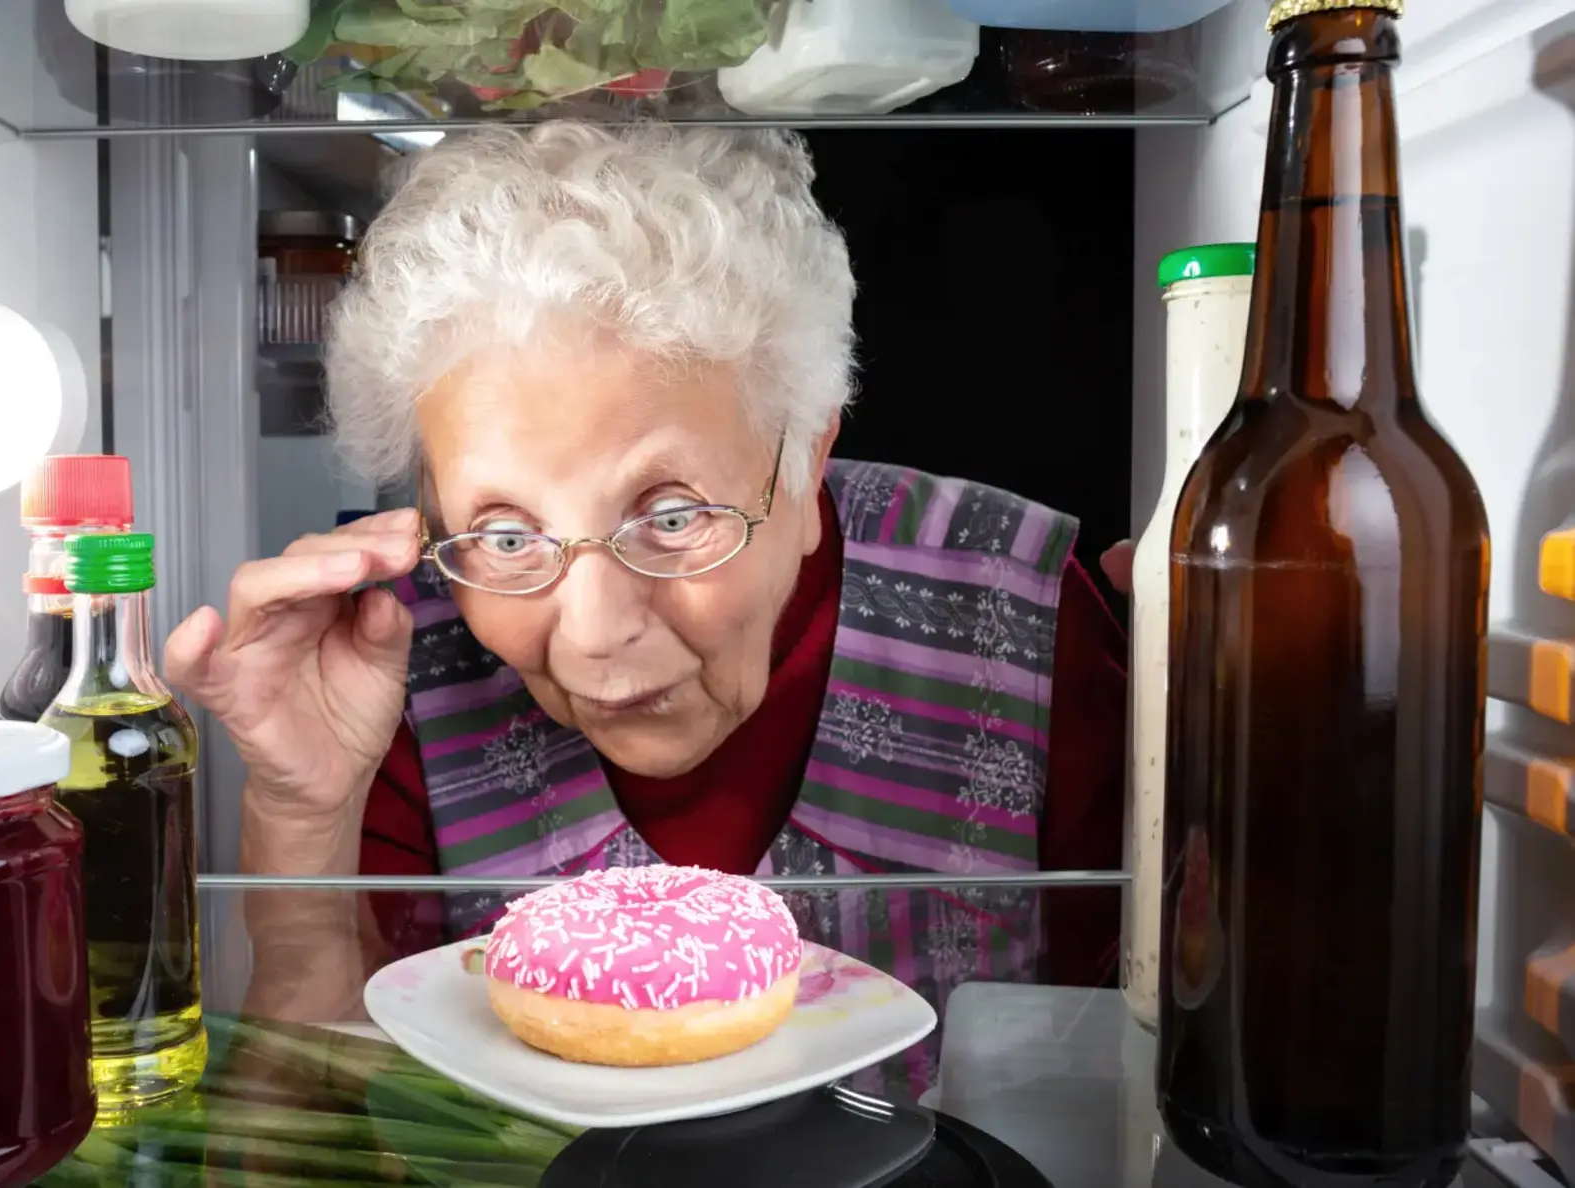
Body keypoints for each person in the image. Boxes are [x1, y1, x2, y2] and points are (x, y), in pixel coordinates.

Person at [167, 121, 1127, 1091]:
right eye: (506, 535)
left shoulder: (1026, 619)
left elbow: (1130, 1059)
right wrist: (302, 813)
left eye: (671, 516)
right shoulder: (394, 659)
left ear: (806, 455)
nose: (593, 633)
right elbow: (315, 1124)